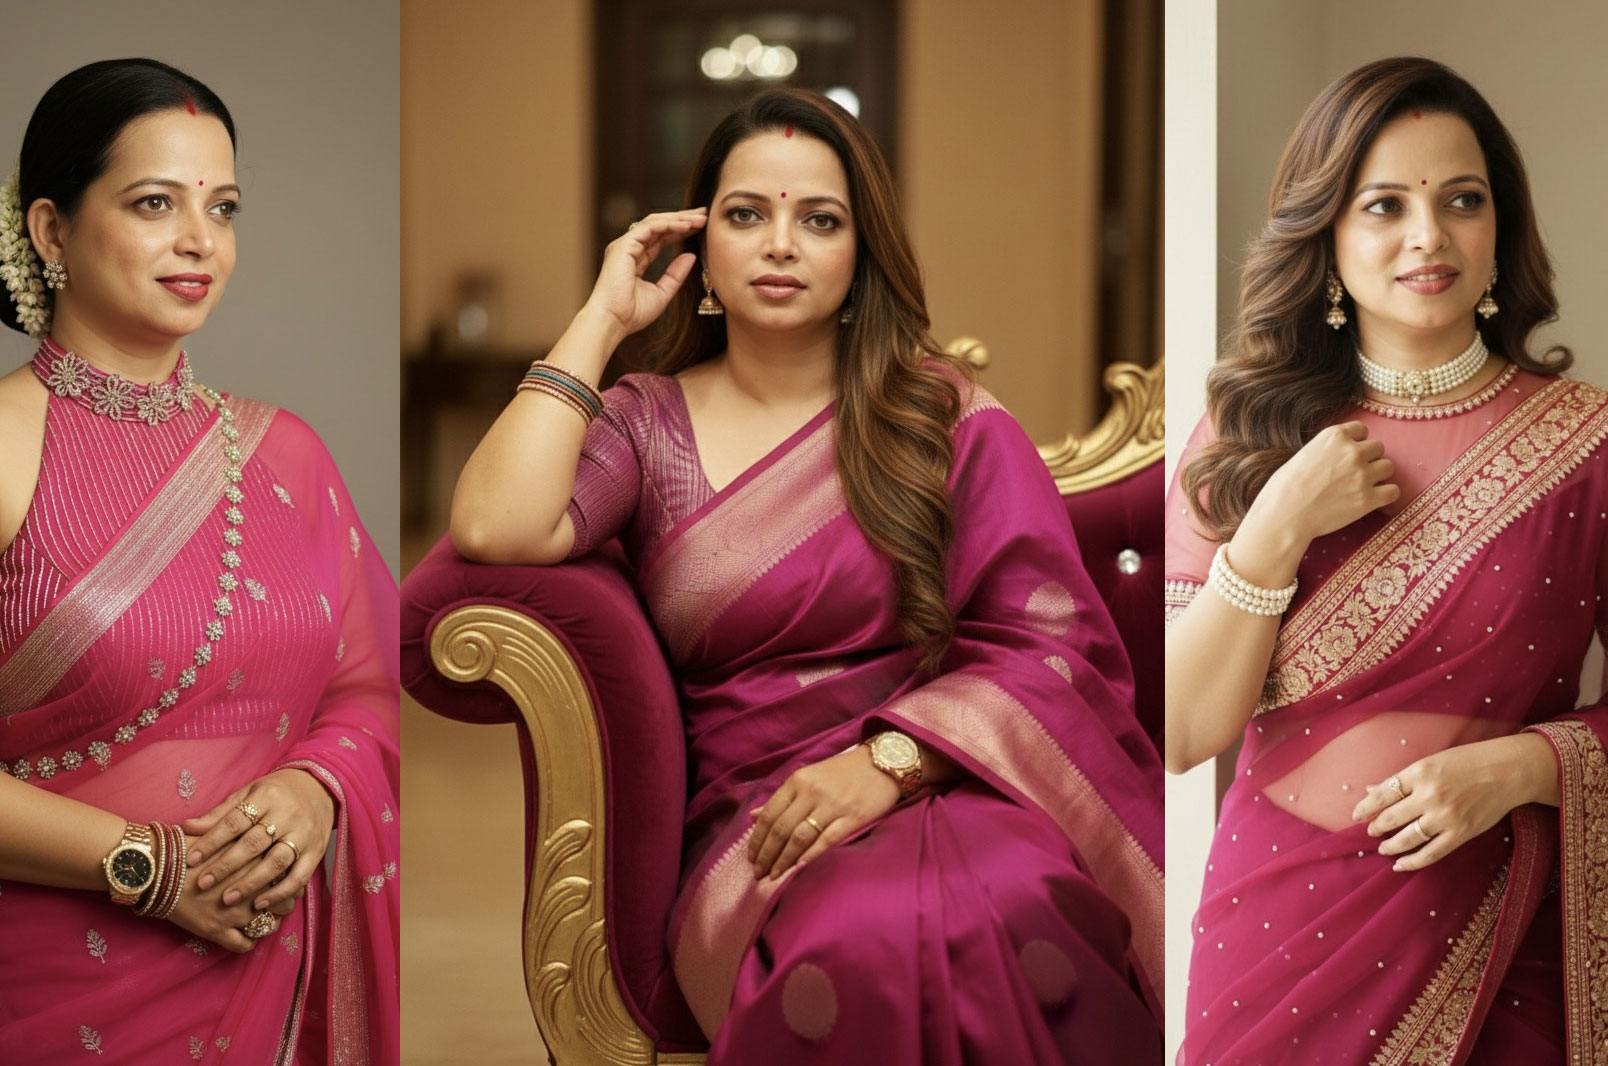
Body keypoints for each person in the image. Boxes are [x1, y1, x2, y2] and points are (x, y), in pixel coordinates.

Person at [451, 86, 1162, 1062]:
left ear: (860, 255)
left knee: (1025, 910)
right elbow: (497, 523)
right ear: (701, 252)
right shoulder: (647, 423)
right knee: (858, 944)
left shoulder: (938, 419)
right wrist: (601, 315)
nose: (780, 243)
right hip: (763, 823)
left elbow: (1050, 647)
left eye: (819, 220)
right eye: (746, 214)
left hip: (954, 783)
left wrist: (888, 764)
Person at [1166, 56, 1608, 1063]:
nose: (1427, 236)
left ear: (1498, 230)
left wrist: (1524, 765)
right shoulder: (1244, 436)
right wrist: (1275, 525)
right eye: (1384, 205)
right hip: (1276, 937)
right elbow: (1179, 728)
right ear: (1330, 237)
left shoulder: (1597, 446)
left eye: (1460, 201)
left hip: (1510, 936)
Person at [0, 59, 397, 1064]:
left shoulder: (288, 455)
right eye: (153, 203)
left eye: (222, 208)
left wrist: (317, 788)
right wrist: (148, 864)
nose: (199, 242)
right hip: (36, 979)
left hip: (259, 962)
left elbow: (370, 684)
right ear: (52, 230)